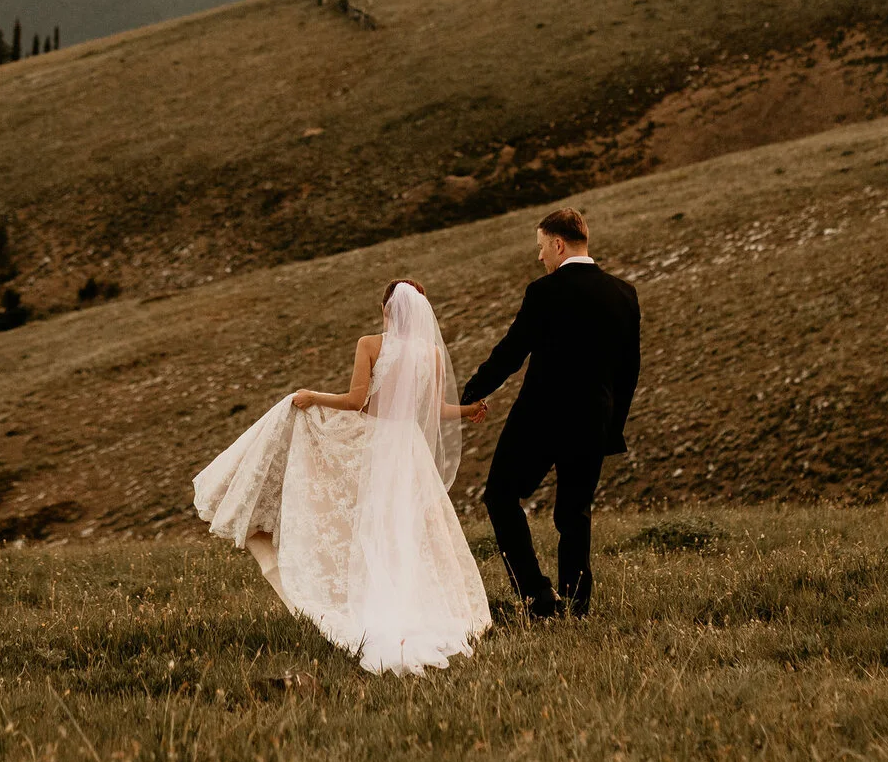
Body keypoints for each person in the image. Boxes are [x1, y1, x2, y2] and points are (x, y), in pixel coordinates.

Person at [191, 280, 491, 674]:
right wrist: (468, 411)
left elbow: (354, 402)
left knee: (366, 526)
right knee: (407, 530)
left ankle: (372, 602)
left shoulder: (371, 344)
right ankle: (413, 603)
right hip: (411, 450)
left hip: (378, 445)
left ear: (386, 311)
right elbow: (433, 410)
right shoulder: (431, 355)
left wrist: (312, 397)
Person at [458, 209, 641, 619]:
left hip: (540, 419)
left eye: (541, 248)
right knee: (573, 513)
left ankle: (537, 596)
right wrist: (612, 426)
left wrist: (472, 392)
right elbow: (629, 372)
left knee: (500, 496)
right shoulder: (624, 293)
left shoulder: (544, 292)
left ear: (558, 244)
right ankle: (577, 606)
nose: (540, 257)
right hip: (594, 419)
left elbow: (511, 352)